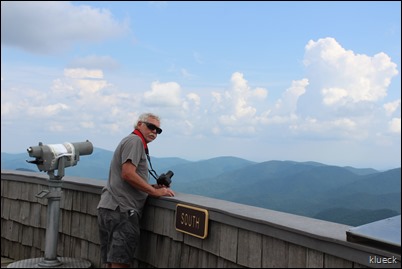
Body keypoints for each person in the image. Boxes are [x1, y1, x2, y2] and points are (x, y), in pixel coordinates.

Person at [97, 112, 175, 268]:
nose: (154, 132)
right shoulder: (135, 141)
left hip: (110, 207)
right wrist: (155, 192)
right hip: (122, 210)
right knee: (120, 262)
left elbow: (127, 176)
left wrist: (149, 187)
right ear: (140, 124)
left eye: (158, 130)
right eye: (151, 127)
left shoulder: (130, 141)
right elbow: (127, 173)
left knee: (113, 262)